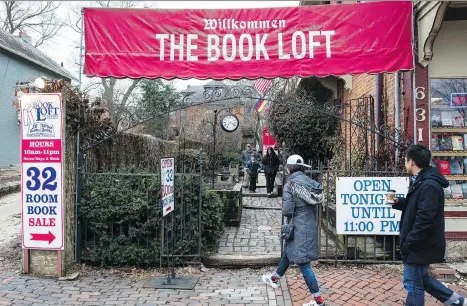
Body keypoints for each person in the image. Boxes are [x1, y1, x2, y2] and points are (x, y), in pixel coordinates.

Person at [391, 145, 466, 306]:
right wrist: (399, 203)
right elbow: (418, 207)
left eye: (405, 160)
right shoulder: (422, 180)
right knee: (420, 278)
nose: (405, 163)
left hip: (420, 244)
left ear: (411, 162)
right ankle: (455, 301)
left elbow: (425, 219)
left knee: (412, 283)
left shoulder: (428, 185)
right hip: (420, 243)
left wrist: (409, 241)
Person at [262, 155, 326, 306]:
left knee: (304, 264)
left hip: (297, 225)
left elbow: (287, 210)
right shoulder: (310, 182)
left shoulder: (290, 185)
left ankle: (319, 301)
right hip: (309, 223)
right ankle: (275, 279)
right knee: (289, 252)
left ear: (290, 168)